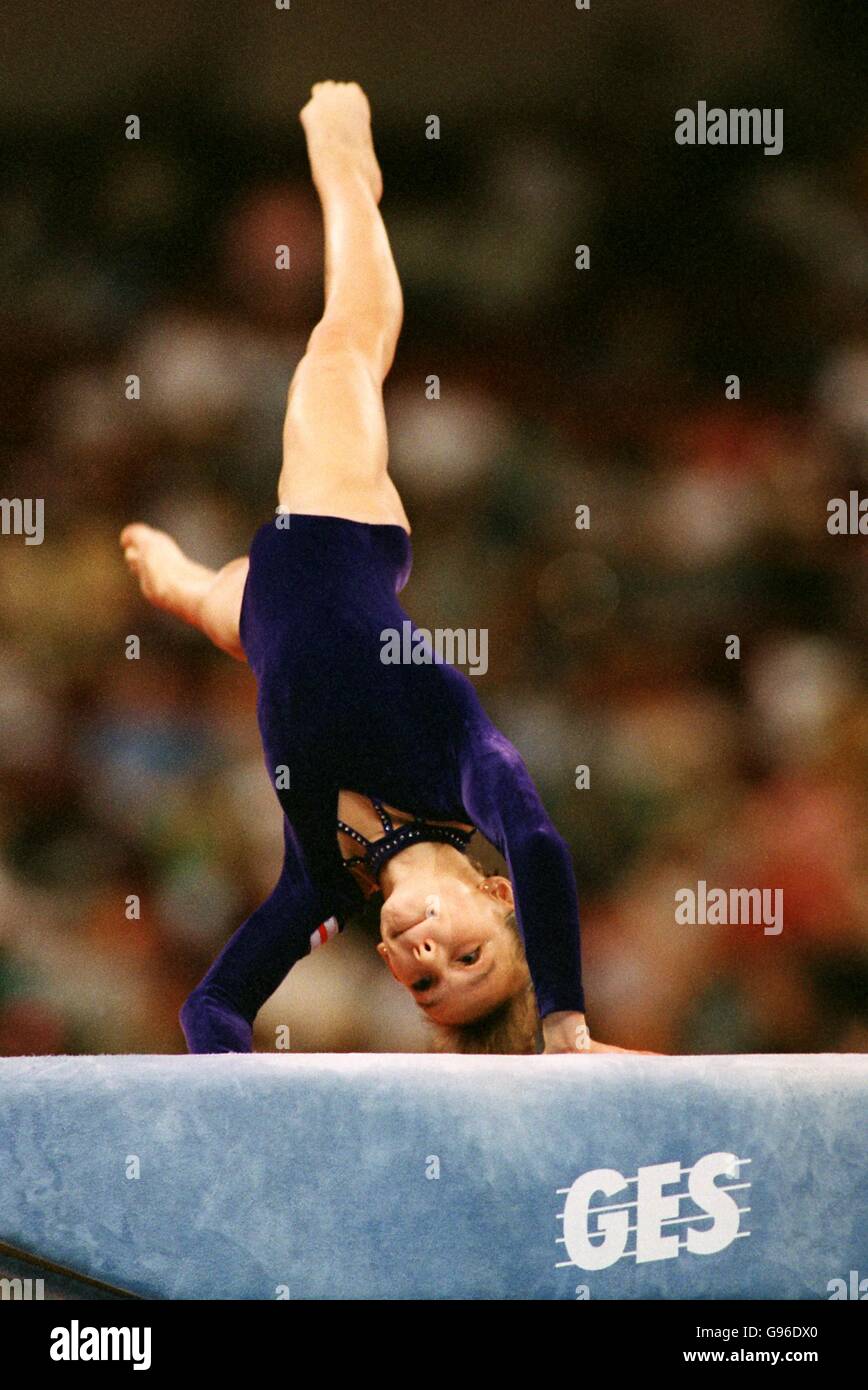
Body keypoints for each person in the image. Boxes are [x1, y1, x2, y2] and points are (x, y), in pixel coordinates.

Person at [121, 82, 644, 1057]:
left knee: (201, 597)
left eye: (423, 988)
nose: (422, 961)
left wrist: (240, 1115)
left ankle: (190, 583)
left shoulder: (325, 879)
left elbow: (213, 1007)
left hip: (257, 618)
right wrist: (565, 1019)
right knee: (347, 342)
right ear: (497, 900)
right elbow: (538, 842)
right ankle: (348, 175)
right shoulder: (461, 764)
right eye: (468, 958)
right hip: (337, 534)